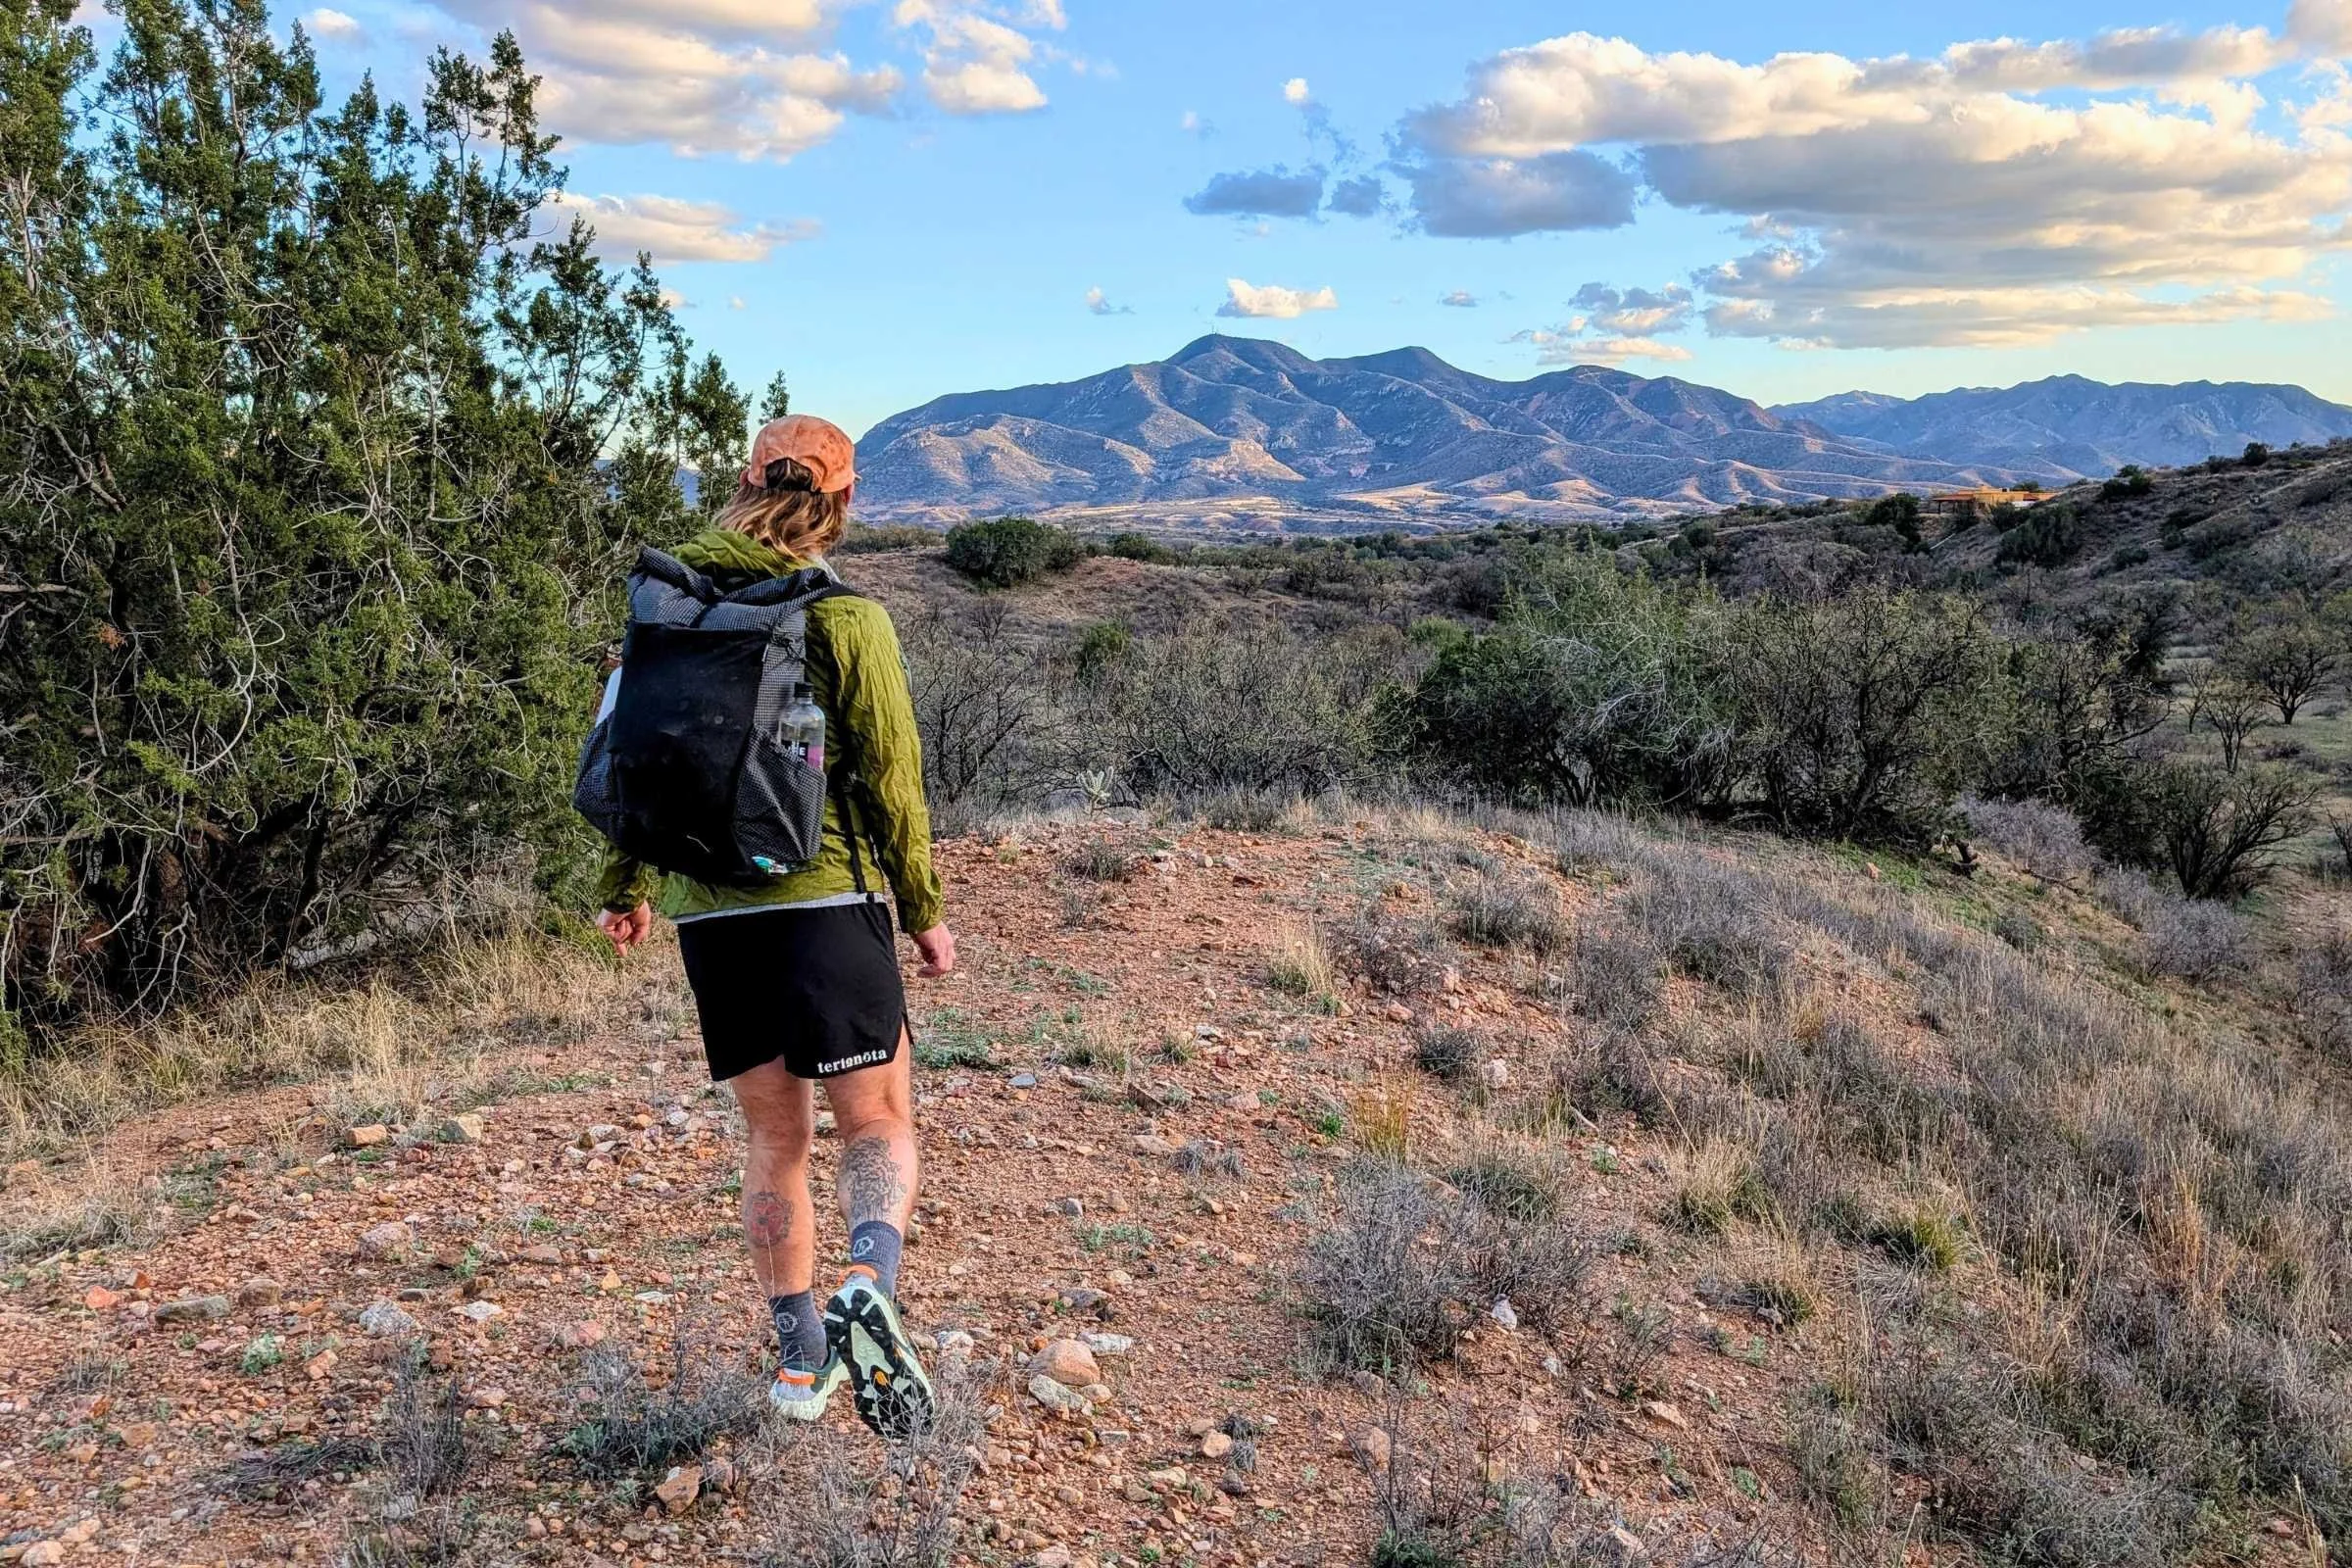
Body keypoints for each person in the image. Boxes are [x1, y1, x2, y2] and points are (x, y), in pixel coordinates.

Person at [594, 414, 956, 1439]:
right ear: (841, 502)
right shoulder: (846, 618)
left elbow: (627, 753)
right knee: (877, 1120)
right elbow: (891, 777)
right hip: (826, 904)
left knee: (774, 1132)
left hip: (711, 921)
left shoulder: (661, 606)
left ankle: (801, 1362)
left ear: (744, 483)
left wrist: (625, 885)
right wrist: (921, 910)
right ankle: (868, 1284)